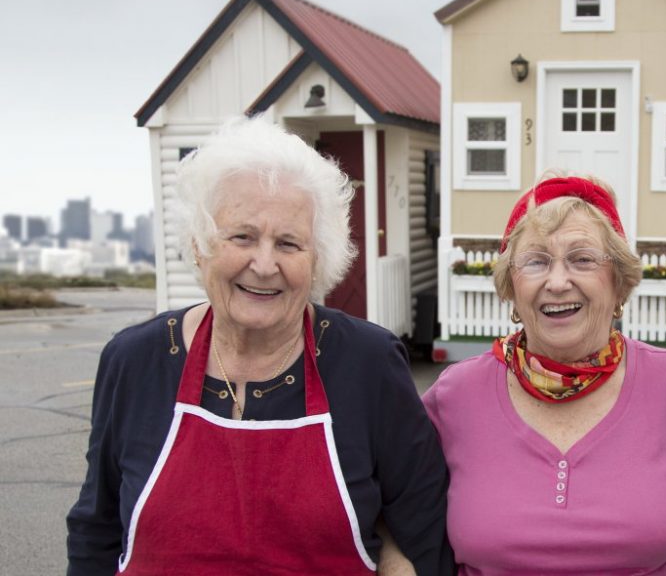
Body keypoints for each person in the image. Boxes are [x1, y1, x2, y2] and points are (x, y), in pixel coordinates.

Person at [66, 117, 453, 575]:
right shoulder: (135, 360)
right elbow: (97, 530)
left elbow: (423, 533)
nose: (264, 264)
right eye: (242, 237)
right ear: (198, 245)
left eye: (289, 243)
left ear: (318, 260)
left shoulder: (368, 363)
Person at [423, 173, 666, 574]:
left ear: (619, 283)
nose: (557, 281)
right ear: (511, 289)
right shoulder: (455, 396)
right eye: (535, 261)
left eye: (582, 259)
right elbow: (392, 513)